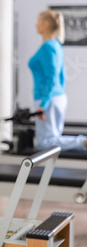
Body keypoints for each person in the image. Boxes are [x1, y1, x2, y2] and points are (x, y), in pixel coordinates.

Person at [29, 9, 87, 152]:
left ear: (46, 24)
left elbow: (52, 78)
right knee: (52, 139)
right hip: (57, 97)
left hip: (48, 98)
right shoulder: (55, 45)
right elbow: (62, 77)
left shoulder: (48, 47)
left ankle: (84, 142)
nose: (36, 25)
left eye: (39, 22)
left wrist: (43, 104)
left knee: (45, 143)